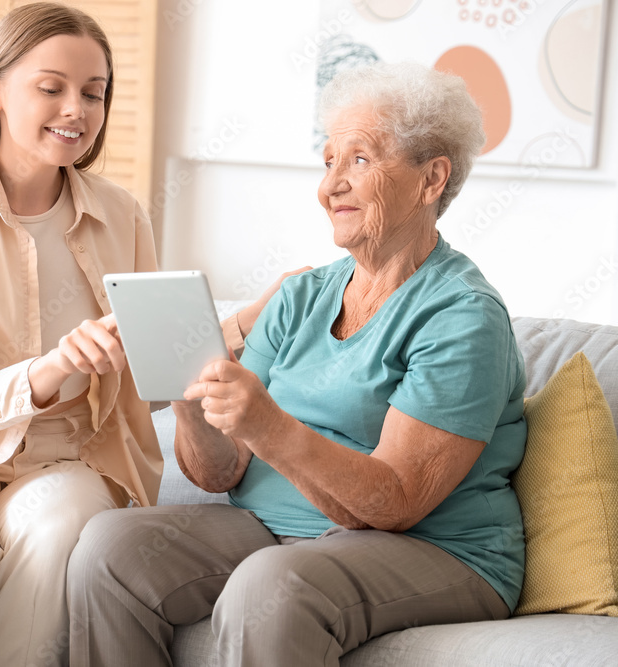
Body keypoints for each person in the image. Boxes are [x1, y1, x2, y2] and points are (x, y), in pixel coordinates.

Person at [0, 4, 285, 665]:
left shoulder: (122, 216)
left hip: (72, 454)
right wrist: (53, 367)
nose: (75, 109)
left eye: (93, 93)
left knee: (52, 529)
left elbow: (152, 377)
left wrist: (242, 324)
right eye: (51, 87)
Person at [67, 62, 528, 666]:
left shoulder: (463, 316)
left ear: (431, 179)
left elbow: (395, 502)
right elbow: (220, 471)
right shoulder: (300, 296)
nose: (331, 185)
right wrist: (186, 393)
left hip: (434, 548)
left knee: (273, 584)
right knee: (111, 548)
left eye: (359, 160)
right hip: (276, 529)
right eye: (329, 161)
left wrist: (268, 424)